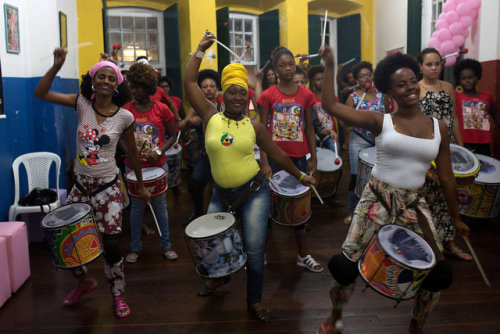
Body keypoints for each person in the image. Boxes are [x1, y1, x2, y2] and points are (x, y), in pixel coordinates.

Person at [318, 45, 470, 334]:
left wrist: (456, 217)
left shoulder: (439, 128)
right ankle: (333, 318)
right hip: (376, 199)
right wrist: (330, 65)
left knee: (436, 273)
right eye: (402, 84)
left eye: (413, 81)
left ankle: (416, 325)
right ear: (390, 92)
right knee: (345, 265)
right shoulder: (381, 121)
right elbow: (331, 107)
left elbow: (448, 178)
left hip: (414, 205)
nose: (411, 88)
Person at [184, 31, 315, 322]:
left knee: (255, 250)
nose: (239, 97)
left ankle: (254, 301)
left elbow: (279, 155)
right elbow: (189, 82)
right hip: (221, 193)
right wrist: (200, 50)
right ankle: (219, 277)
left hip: (254, 191)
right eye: (233, 91)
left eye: (243, 92)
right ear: (223, 94)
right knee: (212, 243)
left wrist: (300, 175)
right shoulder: (210, 116)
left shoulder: (254, 126)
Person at [34, 49, 151, 319]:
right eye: (102, 76)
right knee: (67, 238)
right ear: (93, 80)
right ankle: (84, 281)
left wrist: (141, 185)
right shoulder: (81, 104)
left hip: (108, 188)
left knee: (111, 246)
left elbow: (133, 153)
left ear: (117, 84)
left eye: (112, 77)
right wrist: (55, 67)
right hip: (81, 186)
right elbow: (41, 93)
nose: (106, 81)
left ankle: (118, 294)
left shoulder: (124, 117)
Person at [257, 46, 323, 273]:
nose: (287, 69)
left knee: (300, 208)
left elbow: (310, 128)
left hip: (299, 160)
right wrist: (264, 163)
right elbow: (262, 133)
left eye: (290, 65)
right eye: (282, 66)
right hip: (275, 160)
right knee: (267, 206)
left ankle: (302, 254)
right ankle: (261, 253)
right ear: (274, 70)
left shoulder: (305, 94)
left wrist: (313, 157)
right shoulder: (268, 96)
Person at [417, 48, 470, 261]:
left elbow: (454, 118)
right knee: (429, 197)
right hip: (426, 149)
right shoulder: (415, 88)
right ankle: (430, 244)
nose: (433, 68)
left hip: (448, 147)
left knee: (449, 194)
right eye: (428, 64)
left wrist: (462, 147)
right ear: (420, 66)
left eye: (437, 63)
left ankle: (449, 242)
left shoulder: (448, 87)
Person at [122, 62, 178, 263]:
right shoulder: (126, 111)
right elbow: (120, 136)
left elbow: (173, 135)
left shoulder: (162, 109)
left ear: (147, 87)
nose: (133, 90)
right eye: (131, 86)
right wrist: (130, 151)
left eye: (137, 87)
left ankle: (166, 245)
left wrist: (159, 150)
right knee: (136, 208)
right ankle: (135, 248)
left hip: (158, 166)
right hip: (133, 167)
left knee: (160, 206)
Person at [344, 61, 389, 224]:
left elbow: (388, 117)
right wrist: (352, 124)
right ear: (356, 79)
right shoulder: (353, 98)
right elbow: (345, 122)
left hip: (378, 140)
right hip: (359, 139)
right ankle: (352, 211)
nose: (366, 78)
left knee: (377, 176)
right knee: (357, 176)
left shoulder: (381, 95)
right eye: (362, 76)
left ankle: (374, 210)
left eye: (368, 74)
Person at [180, 69, 221, 225]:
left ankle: (221, 218)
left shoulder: (223, 106)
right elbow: (181, 126)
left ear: (217, 88)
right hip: (205, 155)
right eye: (205, 86)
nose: (209, 89)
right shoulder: (195, 107)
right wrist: (190, 120)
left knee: (222, 188)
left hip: (221, 155)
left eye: (212, 86)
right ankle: (198, 214)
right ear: (200, 89)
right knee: (195, 185)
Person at [453, 58, 499, 156]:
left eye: (470, 77)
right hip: (463, 142)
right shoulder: (455, 96)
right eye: (463, 78)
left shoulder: (487, 96)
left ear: (477, 77)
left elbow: (496, 115)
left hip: (483, 142)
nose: (467, 81)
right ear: (459, 80)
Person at [308, 65, 341, 154]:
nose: (321, 82)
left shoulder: (332, 97)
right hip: (315, 135)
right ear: (313, 82)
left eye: (323, 79)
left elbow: (339, 117)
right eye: (318, 80)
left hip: (331, 134)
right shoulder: (310, 97)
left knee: (335, 153)